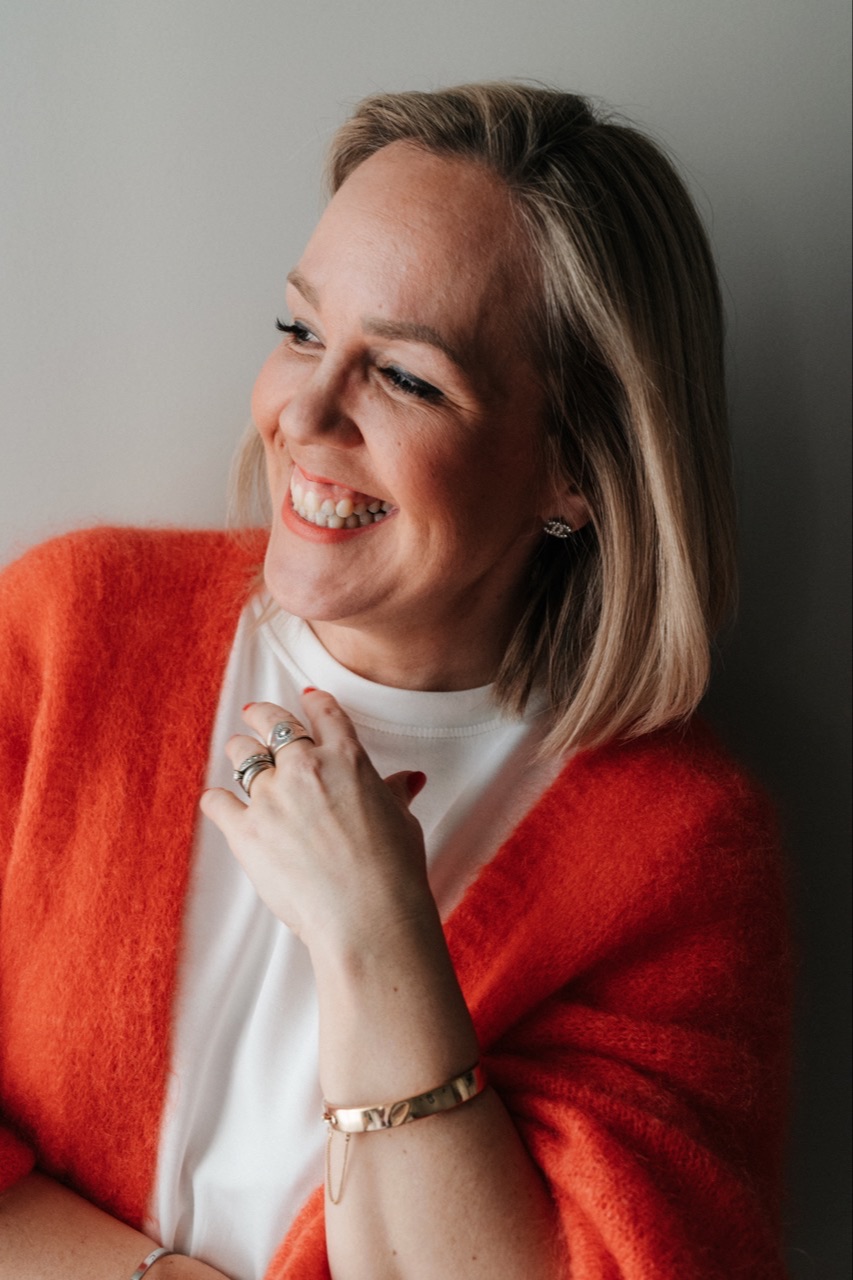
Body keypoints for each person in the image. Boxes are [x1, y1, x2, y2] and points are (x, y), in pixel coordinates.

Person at [0, 83, 790, 1280]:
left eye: (407, 379)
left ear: (575, 470)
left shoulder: (677, 850)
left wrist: (376, 936)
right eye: (301, 329)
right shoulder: (71, 632)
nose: (305, 414)